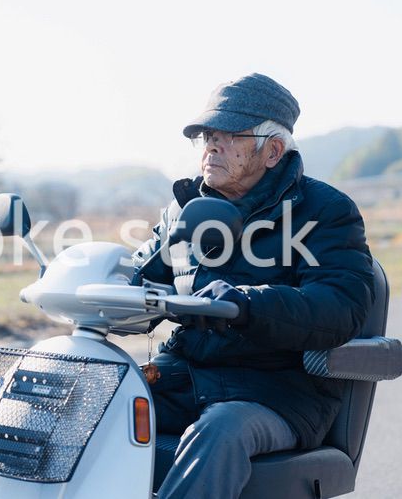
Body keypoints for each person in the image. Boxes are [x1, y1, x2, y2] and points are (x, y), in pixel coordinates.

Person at [132, 73, 374, 498]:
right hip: (187, 375)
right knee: (92, 396)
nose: (211, 145)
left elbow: (340, 306)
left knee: (221, 429)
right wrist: (93, 280)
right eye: (208, 135)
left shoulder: (326, 212)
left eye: (229, 136)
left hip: (277, 391)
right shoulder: (185, 211)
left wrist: (249, 305)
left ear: (273, 151)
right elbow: (142, 273)